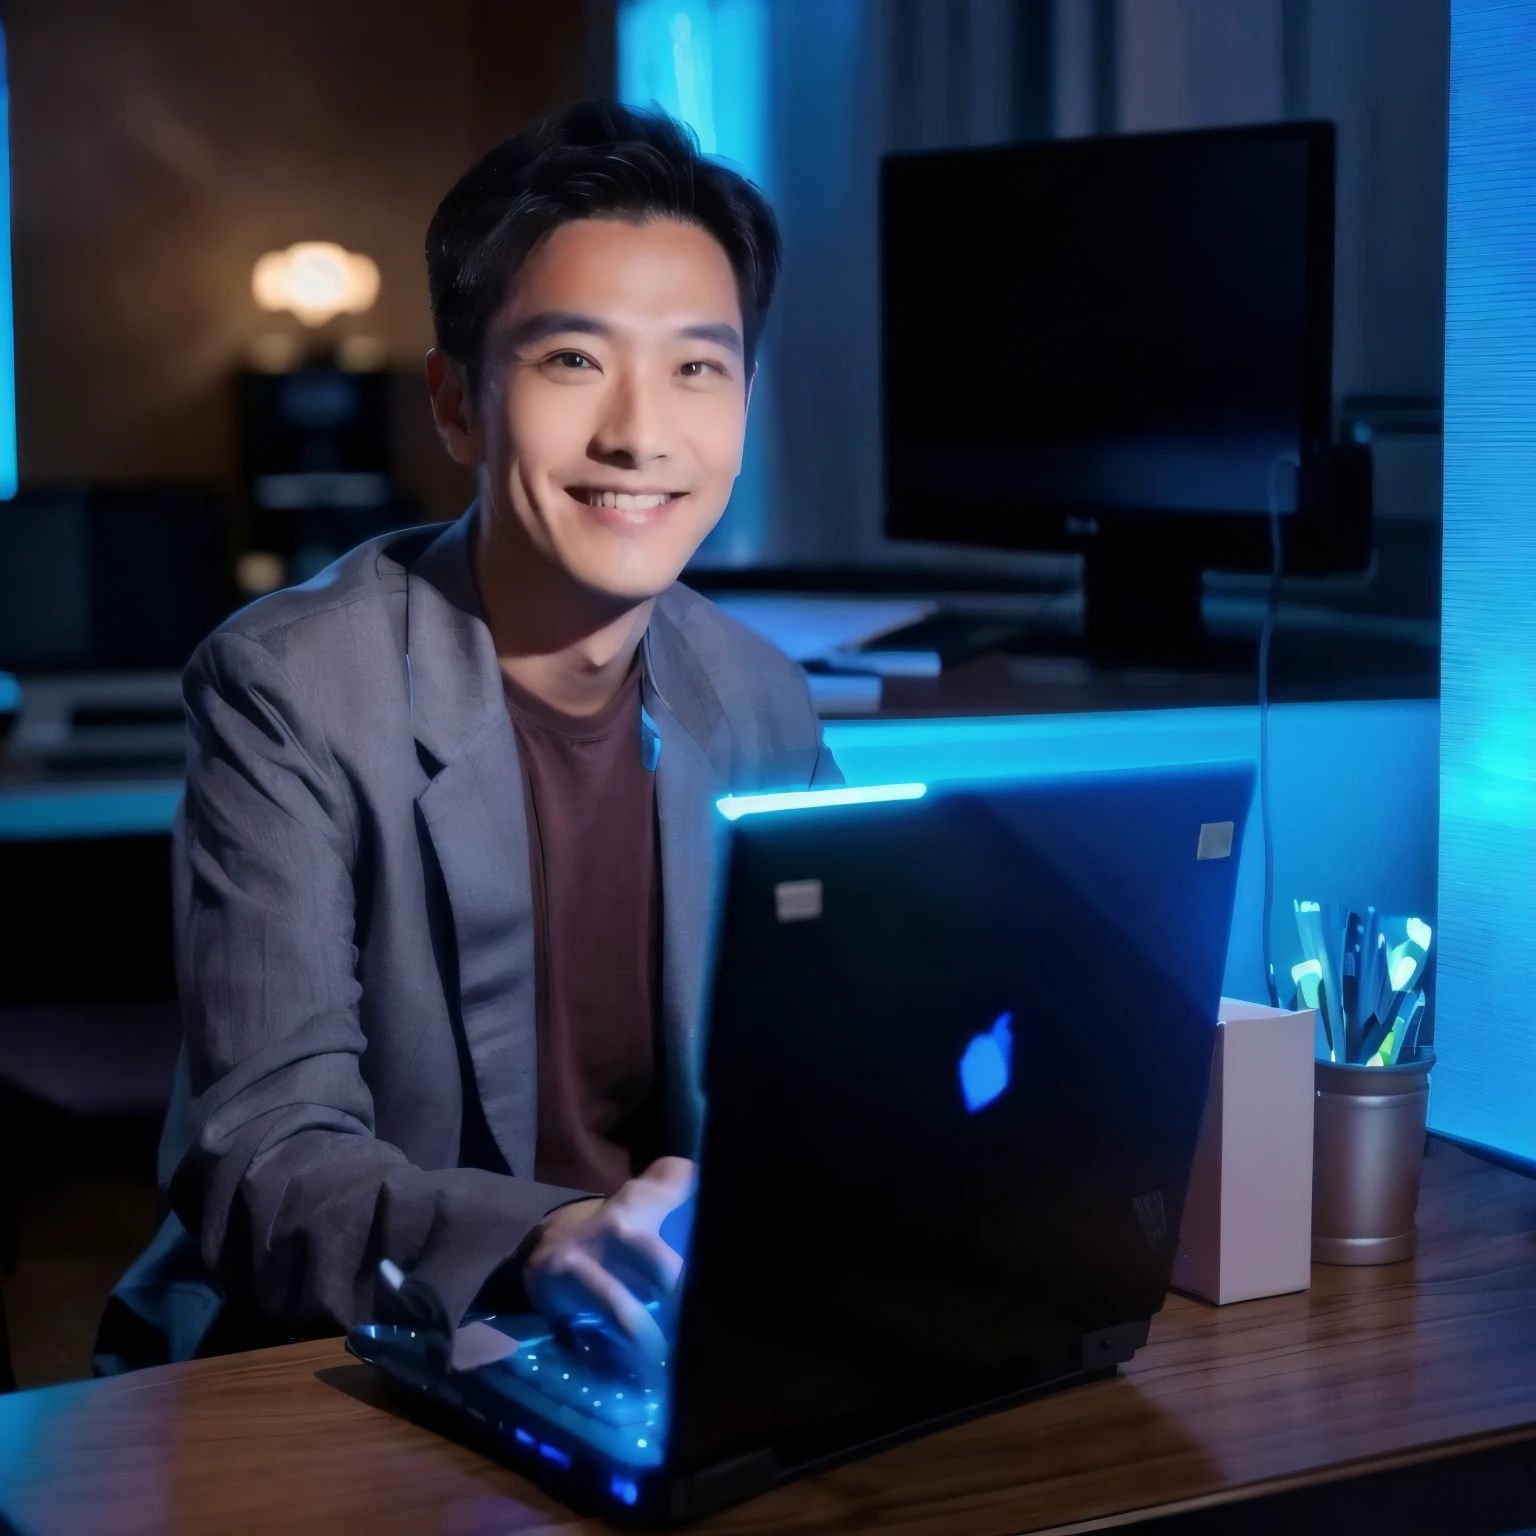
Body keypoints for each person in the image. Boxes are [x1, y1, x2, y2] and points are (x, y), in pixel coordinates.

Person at [95, 100, 840, 1374]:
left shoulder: (760, 696)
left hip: (663, 1350)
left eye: (697, 367)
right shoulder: (291, 689)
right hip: (350, 1363)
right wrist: (549, 1237)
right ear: (454, 403)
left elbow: (840, 1065)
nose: (641, 433)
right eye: (571, 360)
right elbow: (265, 1158)